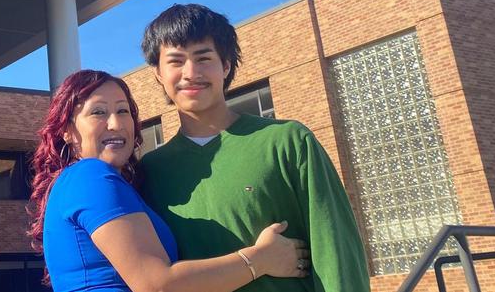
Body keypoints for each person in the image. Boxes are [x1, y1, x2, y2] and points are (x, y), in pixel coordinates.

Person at [138, 4, 369, 292]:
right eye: (175, 61)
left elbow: (336, 249)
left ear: (225, 65)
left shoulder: (287, 141)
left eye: (203, 58)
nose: (190, 72)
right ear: (158, 73)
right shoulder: (150, 171)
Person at [29, 69, 310, 292]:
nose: (116, 123)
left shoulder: (79, 183)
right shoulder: (90, 176)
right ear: (66, 130)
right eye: (98, 112)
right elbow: (157, 285)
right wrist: (260, 259)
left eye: (123, 111)